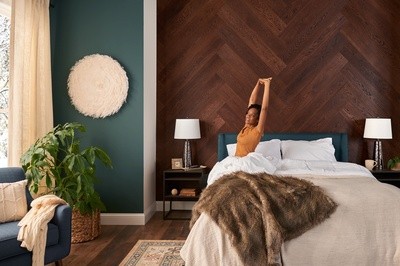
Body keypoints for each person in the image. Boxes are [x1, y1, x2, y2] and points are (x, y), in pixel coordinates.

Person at [235, 77, 272, 157]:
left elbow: (264, 109)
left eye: (252, 115)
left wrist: (267, 85)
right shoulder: (246, 126)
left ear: (258, 119)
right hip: (235, 161)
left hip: (246, 163)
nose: (248, 116)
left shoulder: (258, 130)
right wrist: (258, 83)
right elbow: (252, 100)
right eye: (248, 114)